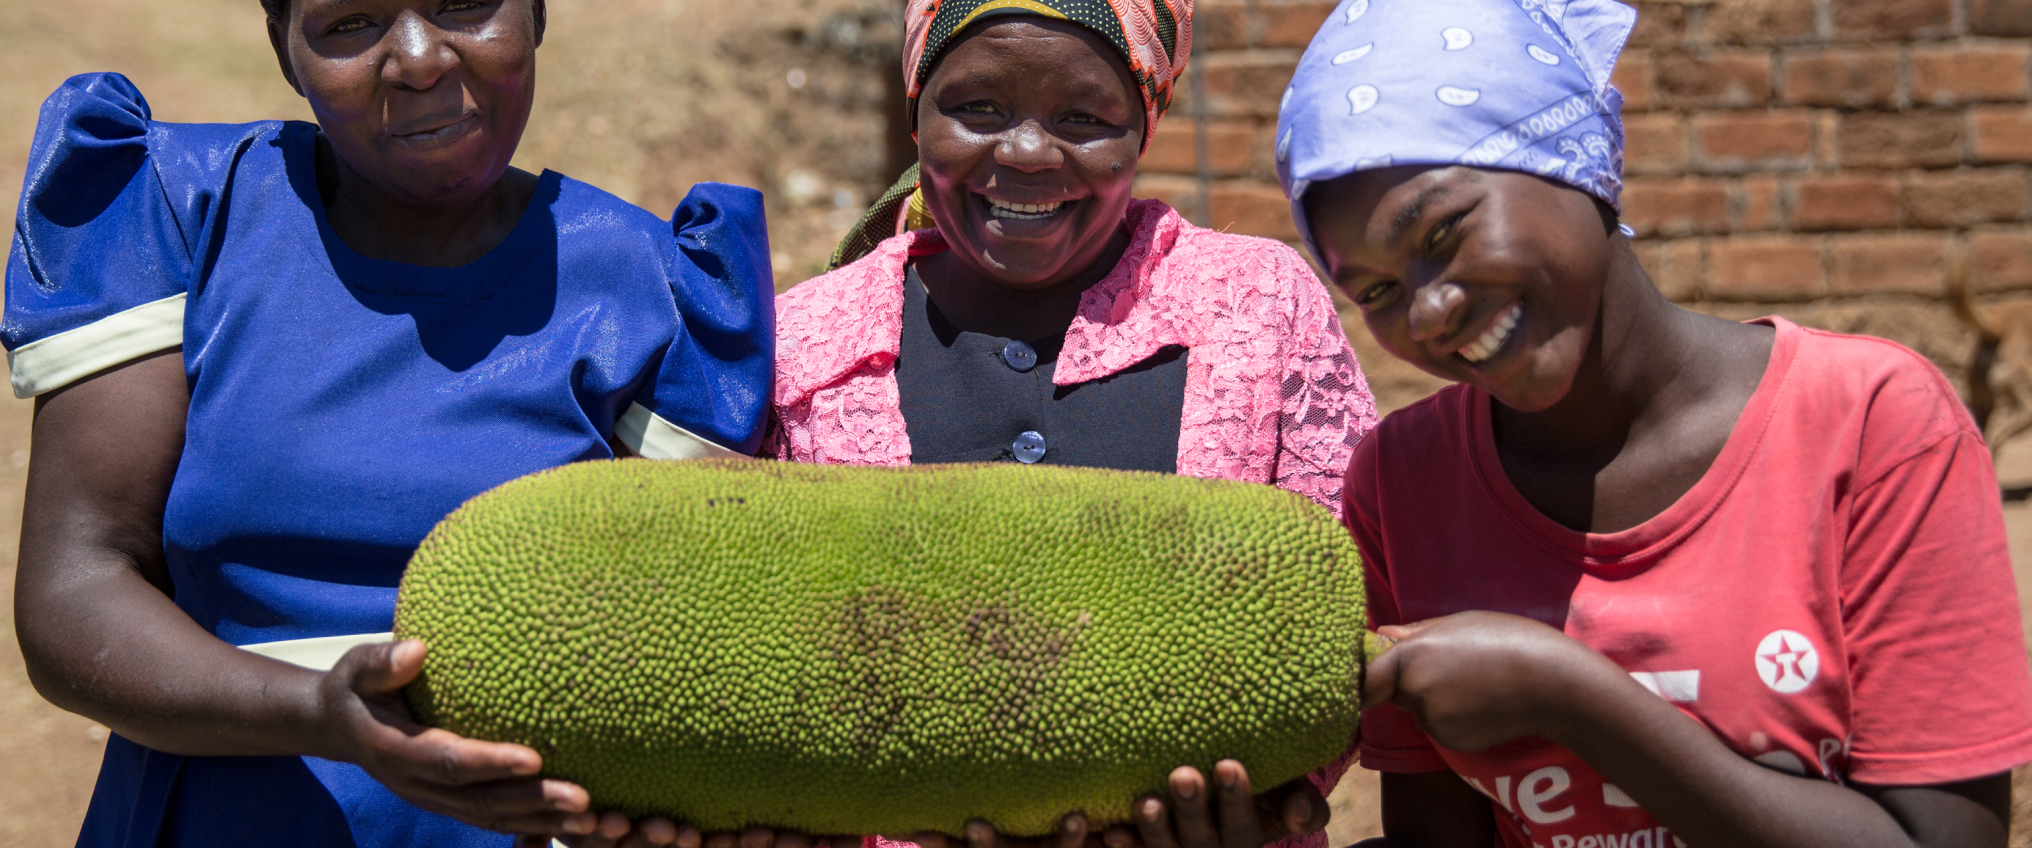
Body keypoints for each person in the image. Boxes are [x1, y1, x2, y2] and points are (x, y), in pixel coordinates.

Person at [5, 1, 774, 845]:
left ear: (538, 13)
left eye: (464, 3)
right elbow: (75, 588)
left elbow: (695, 646)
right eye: (350, 22)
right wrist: (318, 714)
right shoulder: (186, 212)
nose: (417, 59)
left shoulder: (651, 292)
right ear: (284, 49)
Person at [1275, 1, 2032, 846]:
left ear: (1571, 162)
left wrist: (1572, 697)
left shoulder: (1870, 425)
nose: (1429, 311)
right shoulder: (1404, 484)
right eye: (1375, 291)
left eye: (1445, 233)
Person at [768, 0, 1376, 845]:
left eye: (1084, 118)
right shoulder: (802, 344)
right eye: (976, 107)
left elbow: (1348, 597)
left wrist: (1270, 792)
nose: (1024, 152)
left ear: (1143, 126)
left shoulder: (1260, 306)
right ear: (915, 111)